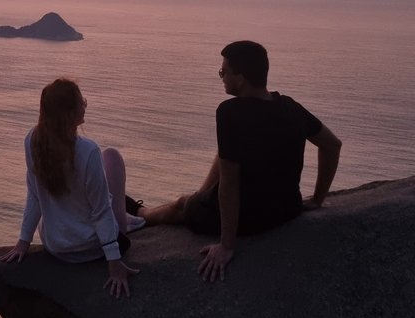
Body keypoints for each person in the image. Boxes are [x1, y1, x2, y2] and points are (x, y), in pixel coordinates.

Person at [144, 40, 342, 282]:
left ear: (241, 78)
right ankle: (199, 195)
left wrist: (227, 245)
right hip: (287, 210)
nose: (222, 77)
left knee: (183, 204)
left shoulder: (230, 112)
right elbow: (332, 145)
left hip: (249, 220)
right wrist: (318, 199)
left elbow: (229, 183)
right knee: (226, 154)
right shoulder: (290, 107)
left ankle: (140, 215)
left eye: (223, 72)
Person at [2, 78, 144, 298]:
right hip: (90, 247)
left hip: (55, 245)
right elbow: (100, 212)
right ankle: (128, 218)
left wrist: (23, 242)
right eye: (81, 102)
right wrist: (114, 262)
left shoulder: (32, 141)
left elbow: (35, 196)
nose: (85, 105)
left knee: (92, 192)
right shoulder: (88, 151)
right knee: (112, 157)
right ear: (69, 113)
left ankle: (126, 215)